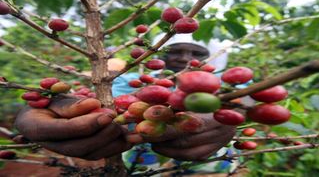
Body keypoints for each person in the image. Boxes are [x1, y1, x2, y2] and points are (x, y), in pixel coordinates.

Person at [15, 34, 235, 165]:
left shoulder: (220, 84)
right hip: (138, 162)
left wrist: (232, 114)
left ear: (206, 61)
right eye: (176, 50)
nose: (185, 58)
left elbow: (244, 99)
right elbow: (104, 101)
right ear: (162, 54)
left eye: (196, 54)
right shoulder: (130, 81)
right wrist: (55, 105)